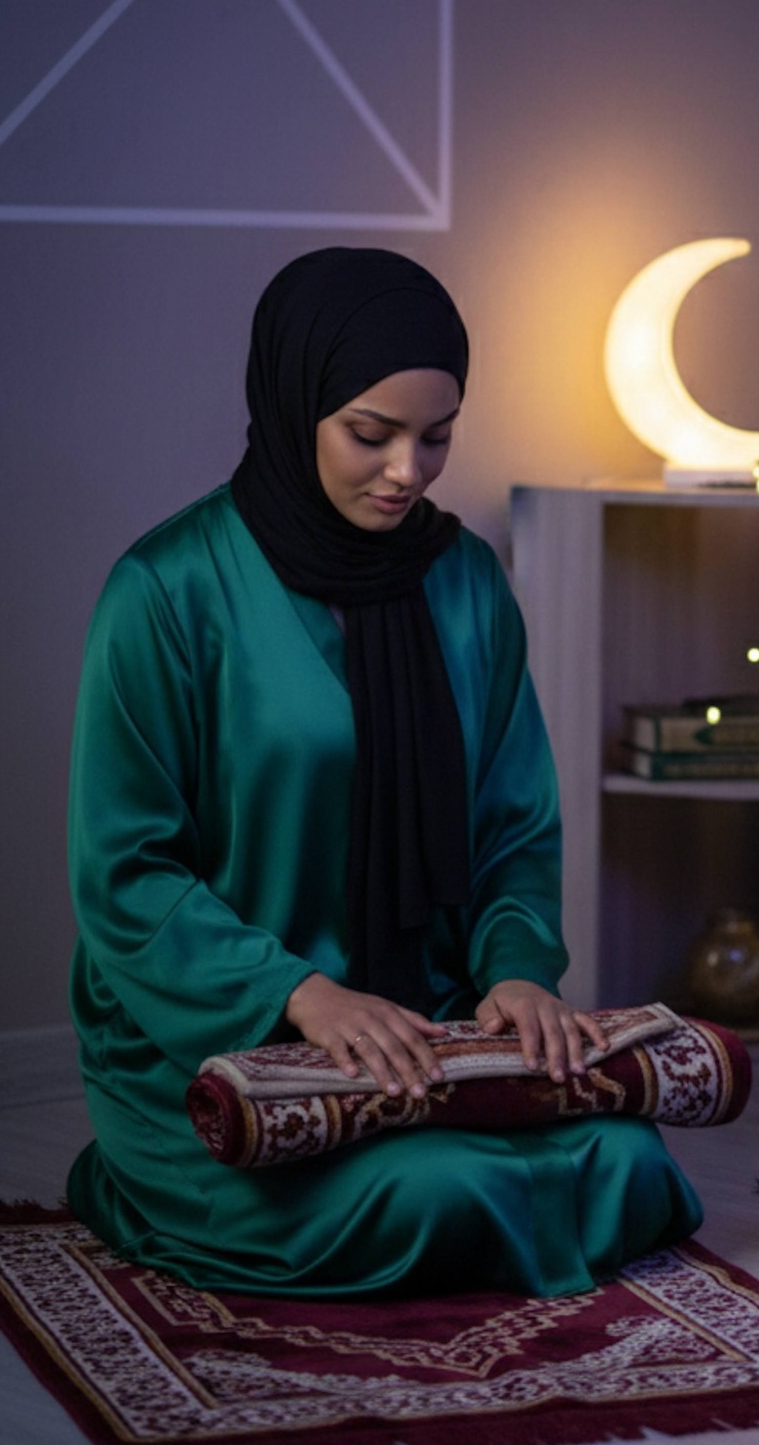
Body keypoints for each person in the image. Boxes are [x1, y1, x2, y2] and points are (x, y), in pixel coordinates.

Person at [66, 246, 702, 1297]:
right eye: (371, 433)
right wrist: (300, 992)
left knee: (626, 1164)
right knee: (433, 1192)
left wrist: (512, 972)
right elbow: (125, 874)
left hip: (432, 1026)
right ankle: (144, 1177)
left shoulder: (465, 583)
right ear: (294, 403)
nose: (407, 469)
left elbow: (511, 825)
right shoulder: (165, 591)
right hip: (225, 1042)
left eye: (437, 436)